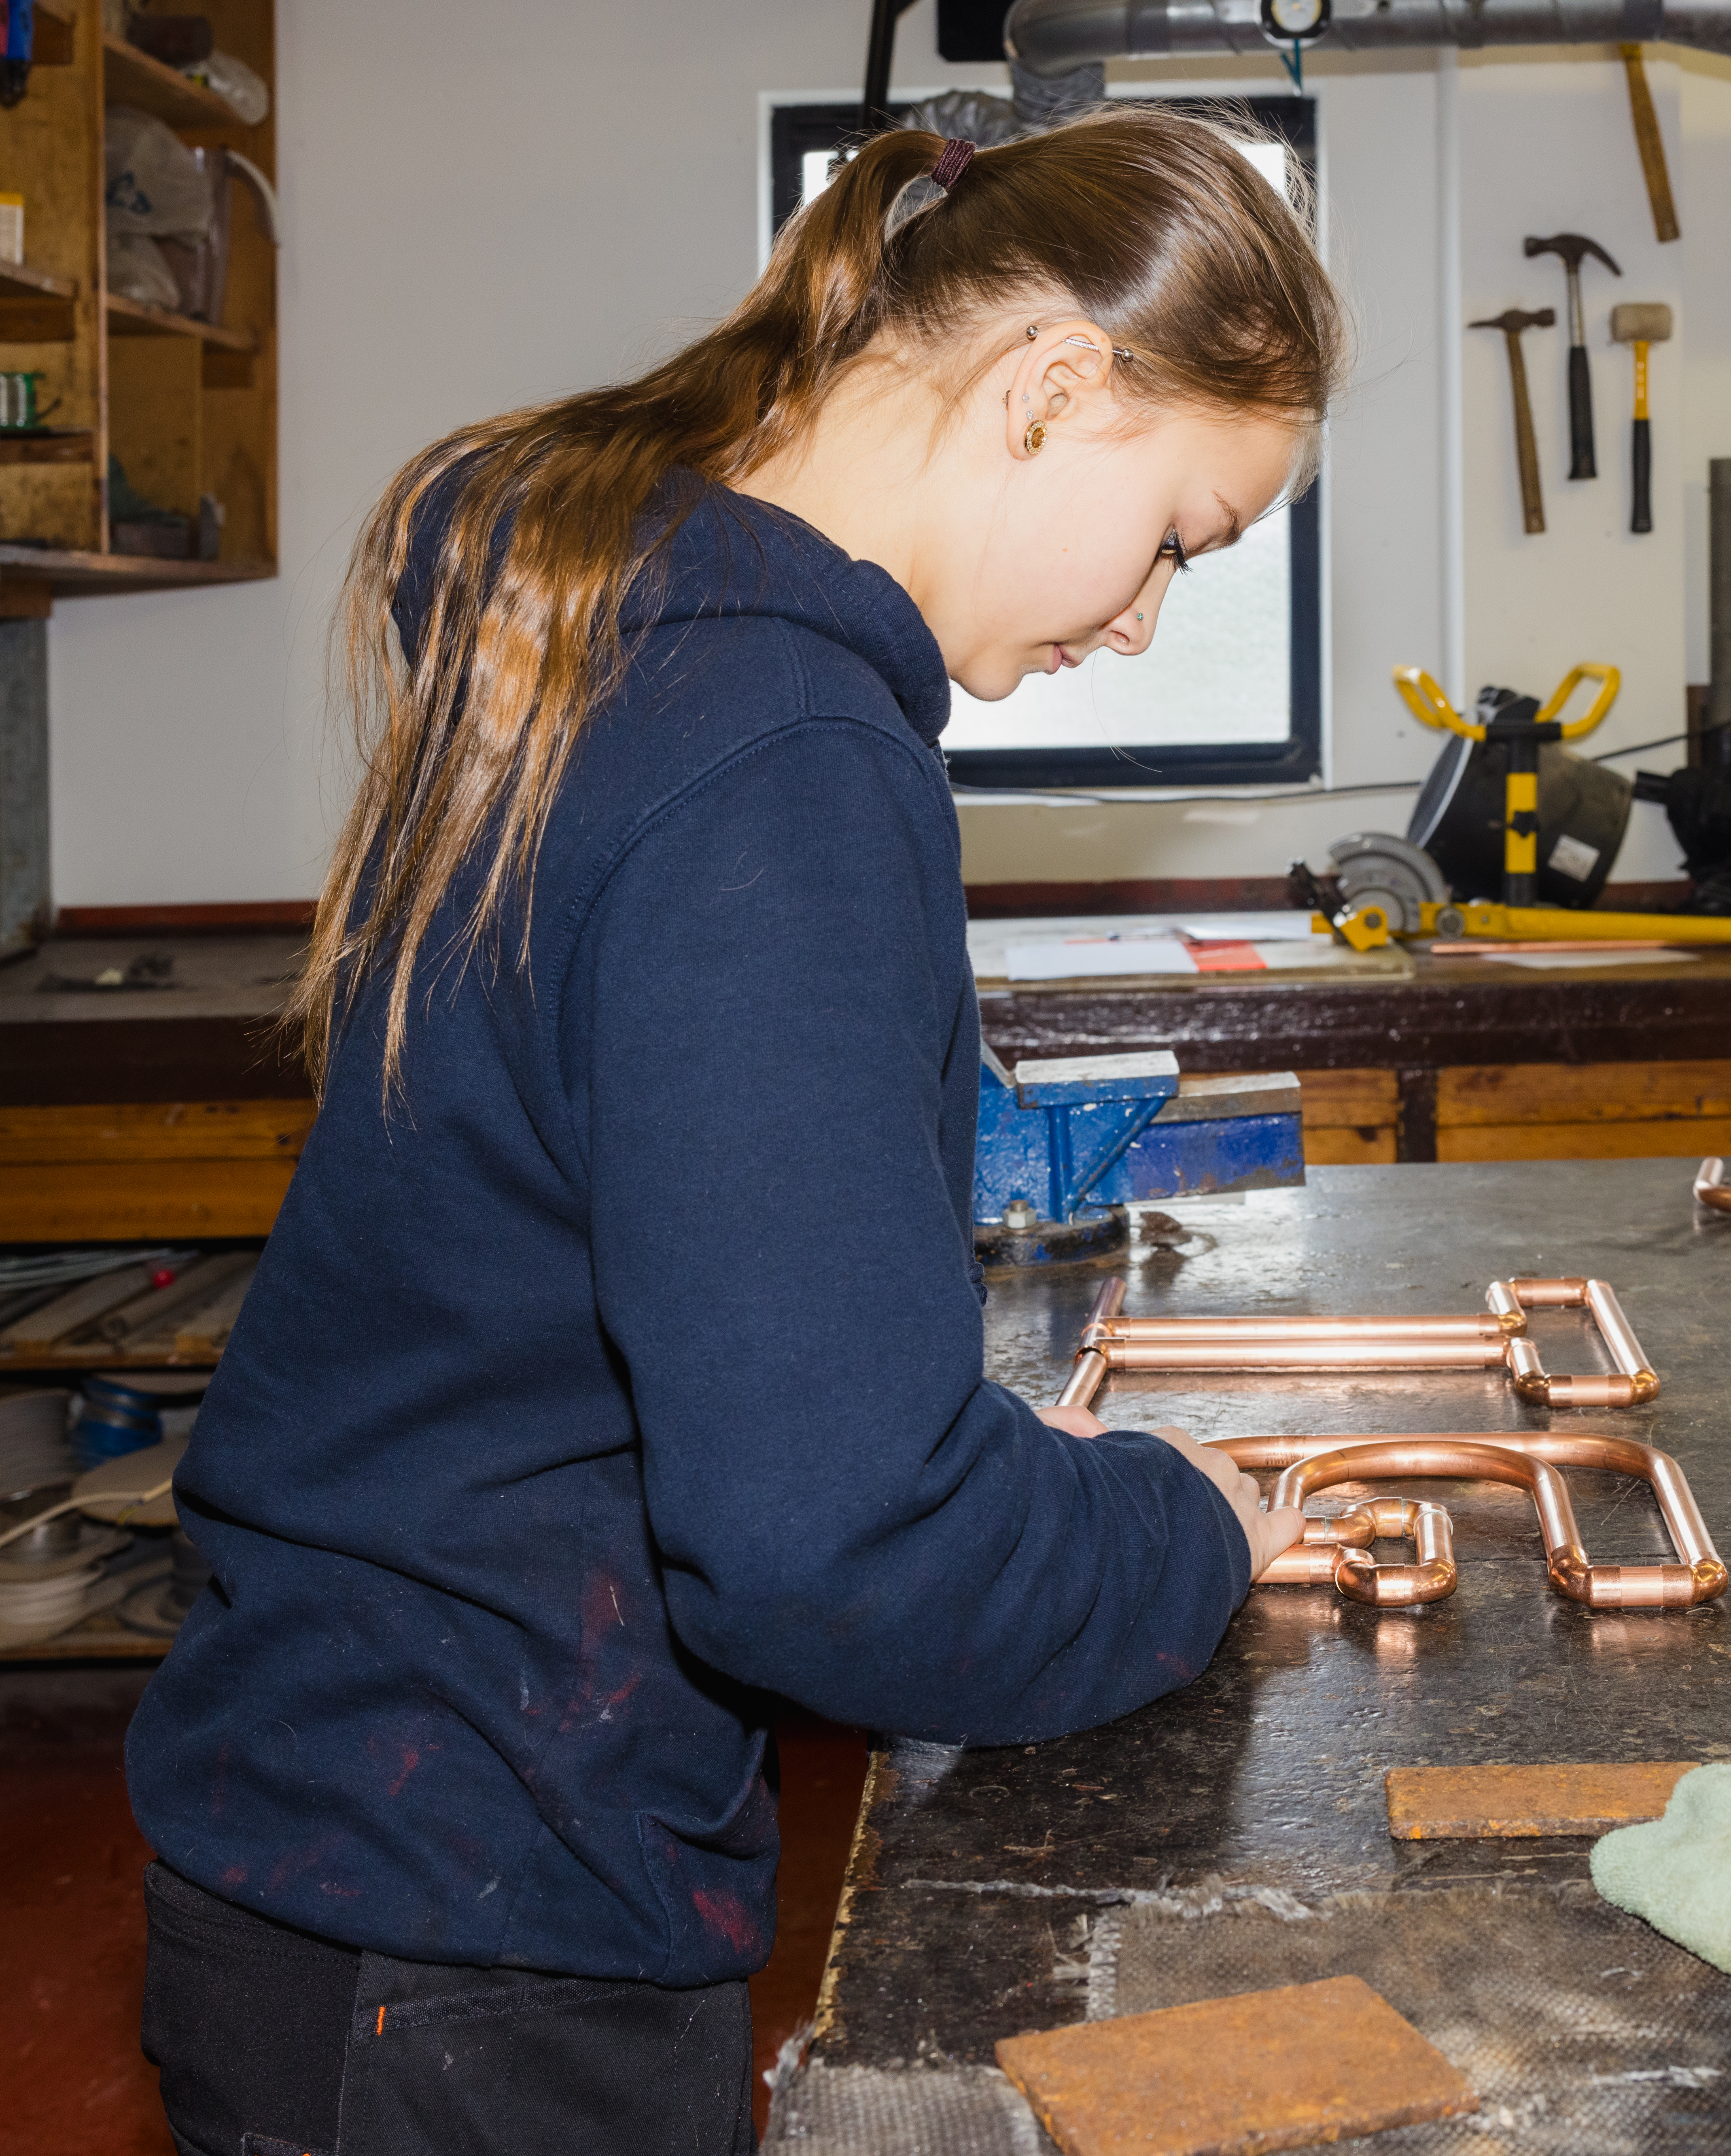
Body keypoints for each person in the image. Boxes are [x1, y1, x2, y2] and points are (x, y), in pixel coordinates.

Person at [124, 109, 1339, 2155]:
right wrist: (1184, 1527)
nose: (1142, 619)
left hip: (367, 1829)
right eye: (1181, 537)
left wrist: (936, 1431)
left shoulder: (623, 637)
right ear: (1053, 389)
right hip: (465, 1933)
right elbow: (825, 1548)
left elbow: (634, 1304)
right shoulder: (778, 758)